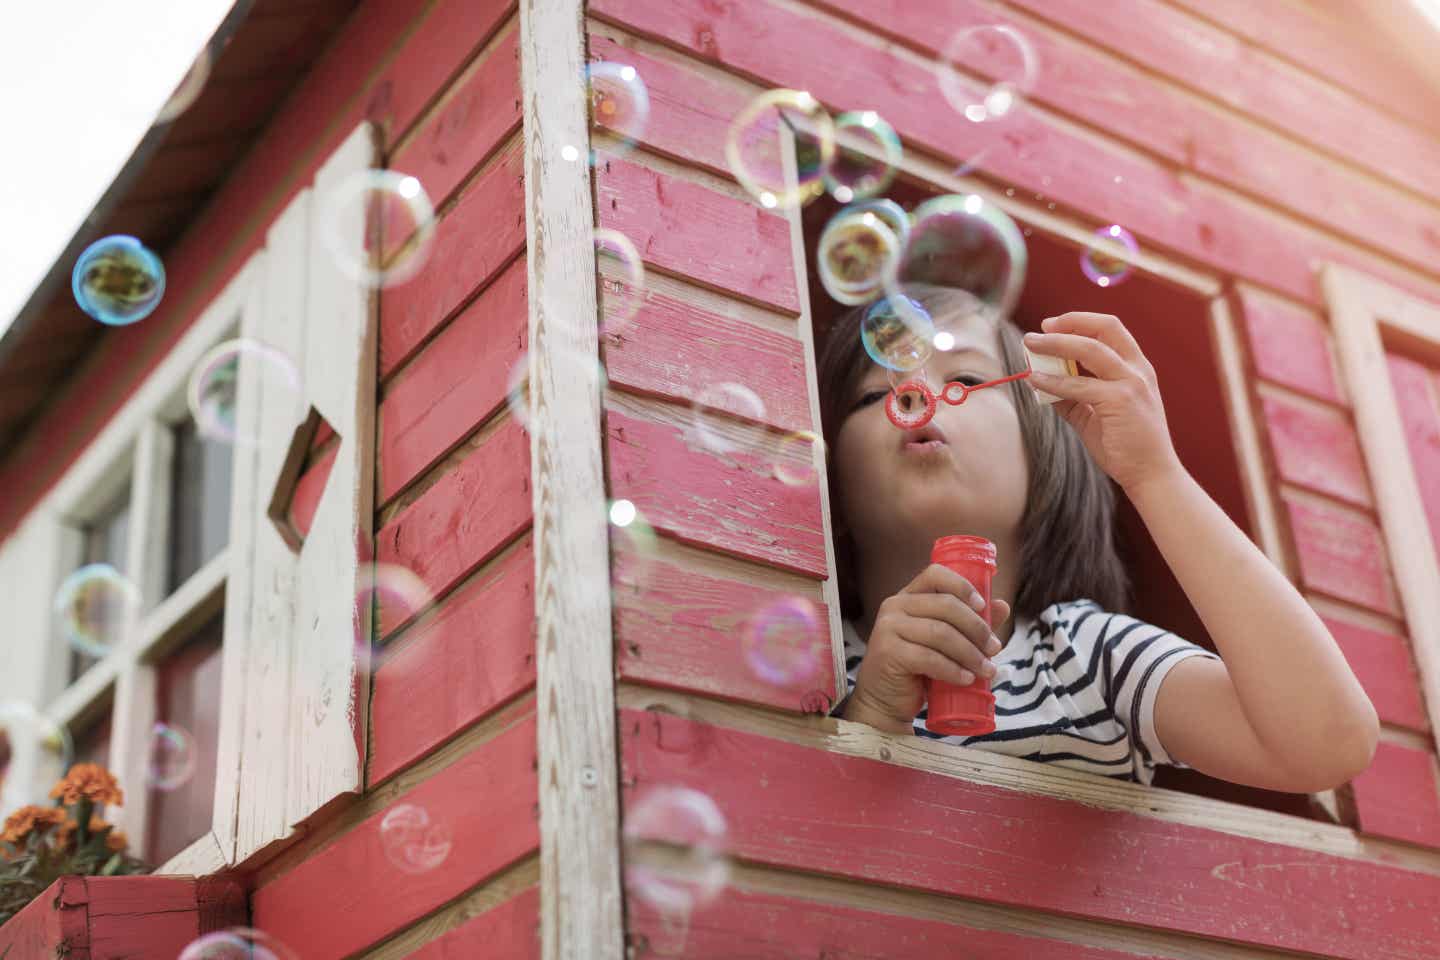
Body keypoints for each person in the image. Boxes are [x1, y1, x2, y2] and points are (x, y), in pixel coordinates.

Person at [817, 282, 1378, 789]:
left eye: (963, 378)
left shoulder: (1088, 657)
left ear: (1045, 450)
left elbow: (1325, 744)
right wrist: (871, 712)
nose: (914, 393)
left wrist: (1154, 473)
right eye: (874, 394)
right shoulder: (822, 662)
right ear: (832, 467)